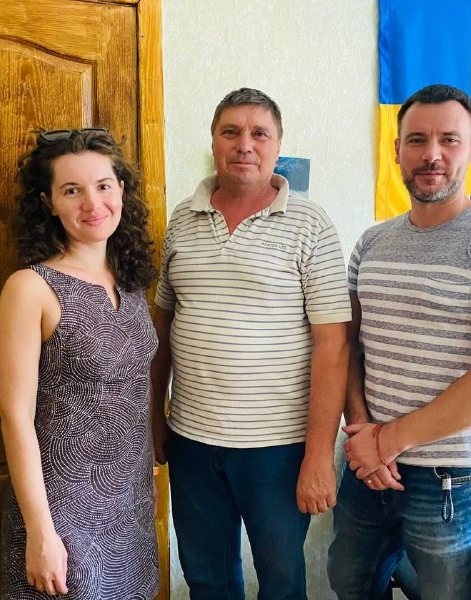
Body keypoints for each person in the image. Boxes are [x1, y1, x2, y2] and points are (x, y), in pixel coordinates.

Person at [327, 84, 471, 600]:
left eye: (449, 140)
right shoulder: (371, 242)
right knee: (349, 582)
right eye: (417, 140)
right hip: (367, 466)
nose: (432, 154)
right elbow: (350, 347)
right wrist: (363, 432)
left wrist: (388, 441)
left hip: (452, 480)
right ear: (397, 150)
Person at [150, 88, 351, 599]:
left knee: (281, 583)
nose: (245, 145)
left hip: (278, 450)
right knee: (208, 580)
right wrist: (154, 413)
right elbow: (162, 326)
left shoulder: (311, 225)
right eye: (231, 132)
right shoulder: (182, 219)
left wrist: (319, 455)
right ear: (213, 142)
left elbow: (333, 347)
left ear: (277, 146)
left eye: (259, 134)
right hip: (192, 441)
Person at [0, 128, 159, 599]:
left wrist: (146, 471)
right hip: (60, 510)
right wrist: (40, 531)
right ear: (48, 203)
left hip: (129, 505)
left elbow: (135, 388)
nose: (93, 203)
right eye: (72, 190)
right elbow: (14, 416)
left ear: (121, 191)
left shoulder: (130, 283)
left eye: (103, 186)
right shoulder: (30, 288)